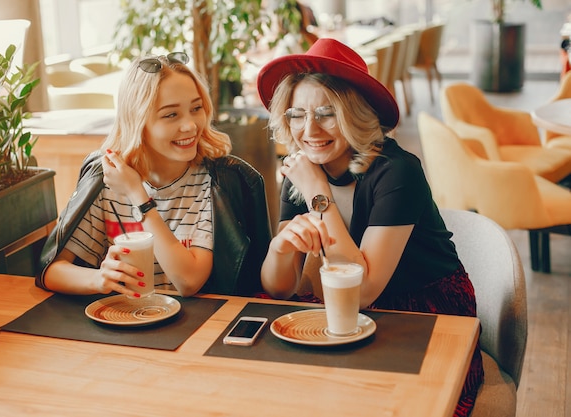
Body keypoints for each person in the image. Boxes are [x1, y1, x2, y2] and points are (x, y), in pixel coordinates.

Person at [256, 38, 483, 417]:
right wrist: (280, 248)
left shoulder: (397, 171)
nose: (309, 129)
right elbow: (279, 288)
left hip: (421, 313)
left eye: (327, 113)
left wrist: (317, 191)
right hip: (340, 315)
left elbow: (363, 290)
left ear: (356, 114)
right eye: (297, 114)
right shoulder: (301, 172)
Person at [36, 52, 271, 298]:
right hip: (123, 324)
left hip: (198, 325)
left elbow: (189, 281)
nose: (190, 125)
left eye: (196, 108)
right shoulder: (106, 180)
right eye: (171, 115)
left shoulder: (214, 182)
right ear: (137, 121)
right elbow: (52, 270)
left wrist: (138, 196)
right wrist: (98, 279)